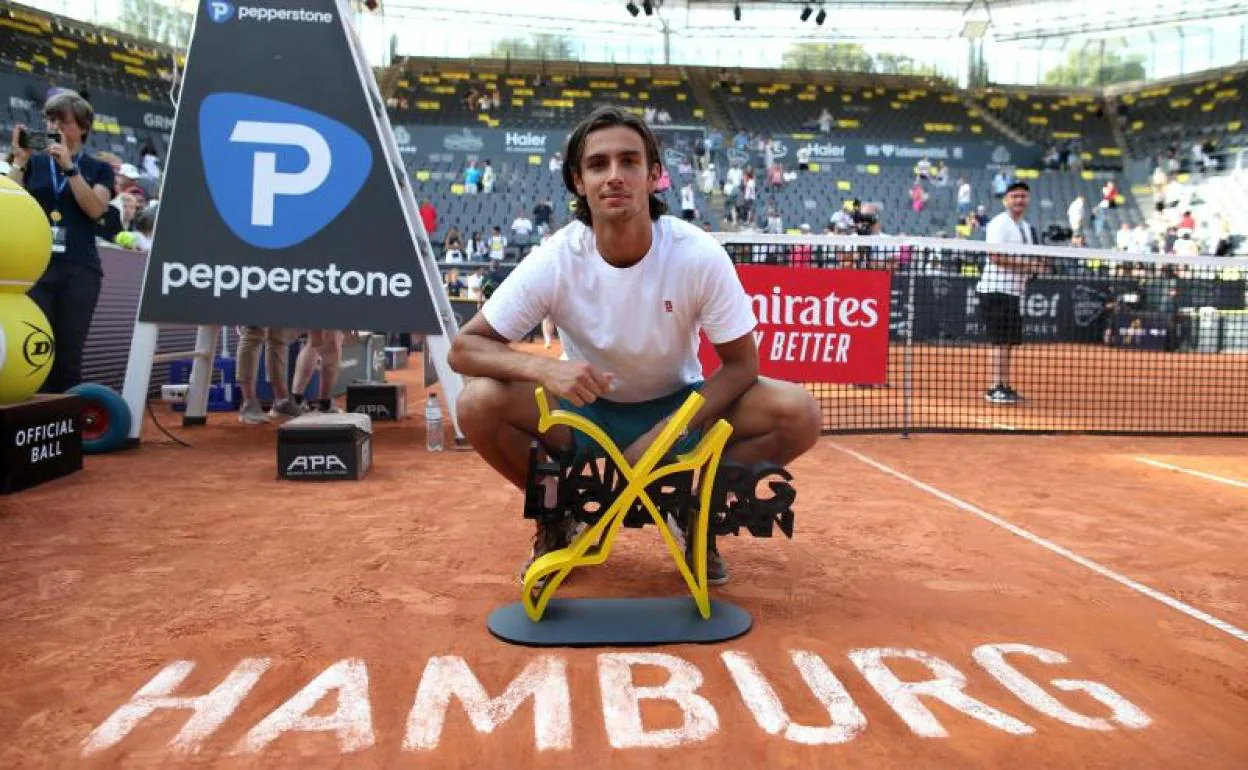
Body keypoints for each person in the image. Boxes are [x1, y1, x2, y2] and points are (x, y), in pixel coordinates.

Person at [447, 106, 821, 586]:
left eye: (629, 161)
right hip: (583, 411)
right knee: (477, 404)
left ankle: (691, 510)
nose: (615, 176)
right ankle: (559, 514)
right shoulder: (557, 258)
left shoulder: (698, 254)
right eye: (598, 164)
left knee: (800, 412)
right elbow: (465, 349)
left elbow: (741, 365)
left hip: (681, 409)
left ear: (654, 176)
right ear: (579, 182)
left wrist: (669, 430)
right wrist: (545, 370)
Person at [7, 91, 115, 394]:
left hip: (80, 268)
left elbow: (95, 208)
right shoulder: (34, 163)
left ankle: (63, 422)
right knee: (34, 345)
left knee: (69, 352)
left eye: (62, 121)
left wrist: (70, 168)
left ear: (81, 127)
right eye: (50, 119)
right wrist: (19, 160)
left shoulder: (98, 168)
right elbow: (9, 203)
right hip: (36, 266)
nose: (54, 126)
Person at [978, 182, 1048, 405]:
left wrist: (1040, 264)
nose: (1019, 200)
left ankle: (1004, 385)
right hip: (995, 289)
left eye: (1023, 196)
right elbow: (995, 256)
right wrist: (1029, 266)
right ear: (1006, 199)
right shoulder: (999, 223)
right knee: (999, 341)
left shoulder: (1026, 227)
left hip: (1014, 292)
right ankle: (995, 387)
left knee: (1008, 342)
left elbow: (1029, 257)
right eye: (1015, 196)